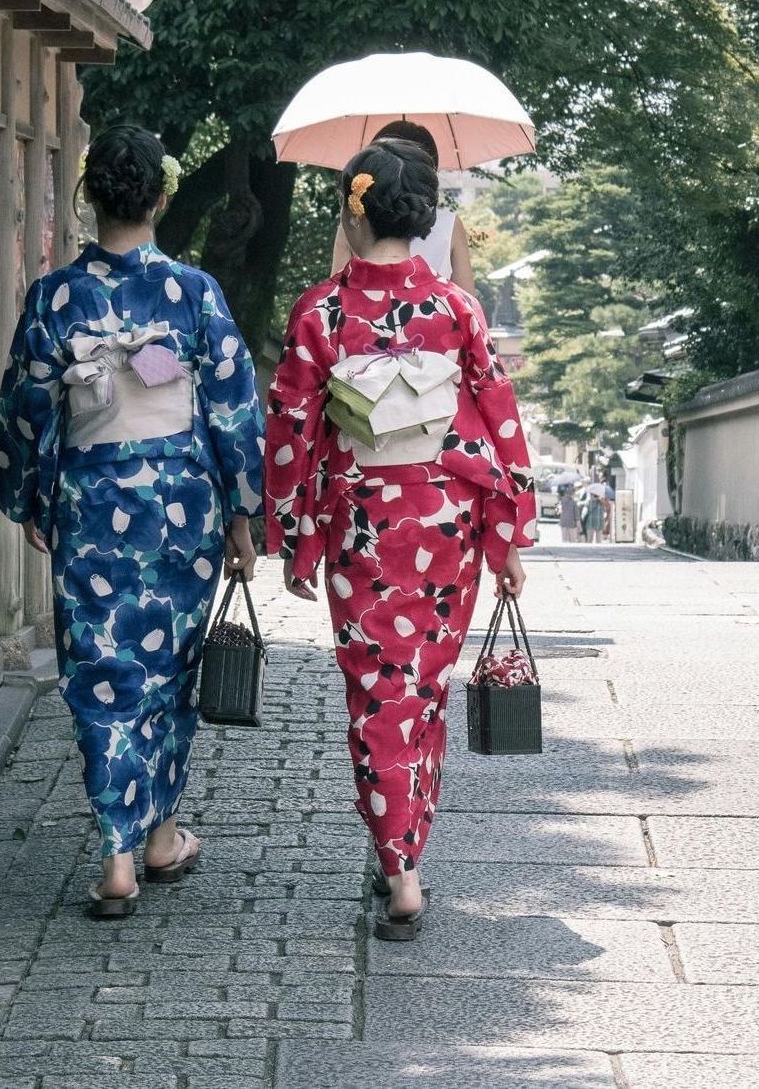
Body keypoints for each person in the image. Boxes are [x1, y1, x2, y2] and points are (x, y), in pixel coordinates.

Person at [266, 138, 536, 941]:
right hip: (447, 516)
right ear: (422, 222)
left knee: (377, 692)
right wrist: (507, 534)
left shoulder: (321, 312)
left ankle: (399, 862)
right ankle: (404, 848)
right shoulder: (456, 309)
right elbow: (499, 414)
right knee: (422, 688)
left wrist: (295, 531)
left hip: (362, 519)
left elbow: (292, 430)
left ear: (355, 212)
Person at [0, 124, 264, 919]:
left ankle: (121, 852)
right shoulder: (193, 292)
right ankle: (164, 833)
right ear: (161, 195)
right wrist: (242, 515)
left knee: (101, 675)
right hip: (180, 509)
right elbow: (233, 409)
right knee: (170, 672)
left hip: (92, 507)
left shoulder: (55, 297)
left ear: (89, 195)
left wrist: (31, 497)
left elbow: (25, 407)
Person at [329, 119, 477, 294]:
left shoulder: (356, 218)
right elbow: (467, 295)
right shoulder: (450, 224)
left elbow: (335, 289)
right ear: (427, 173)